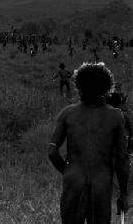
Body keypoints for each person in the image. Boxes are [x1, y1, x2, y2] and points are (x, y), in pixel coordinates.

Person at [48, 63, 129, 224]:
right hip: (101, 184)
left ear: (79, 86)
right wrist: (124, 193)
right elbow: (121, 159)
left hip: (73, 181)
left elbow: (52, 151)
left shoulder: (67, 113)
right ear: (106, 87)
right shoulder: (115, 116)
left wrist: (68, 171)